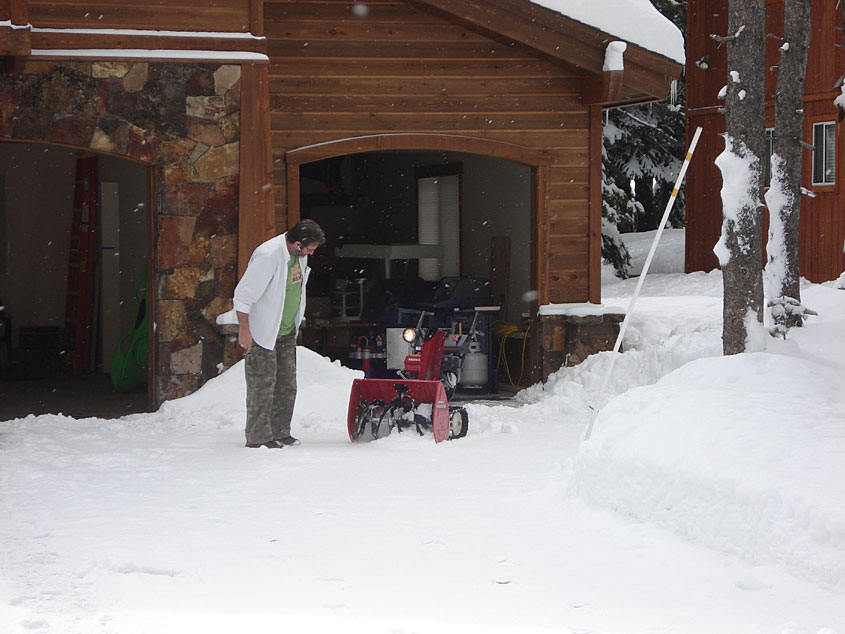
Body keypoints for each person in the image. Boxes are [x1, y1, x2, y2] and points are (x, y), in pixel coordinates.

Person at [233, 219, 326, 449]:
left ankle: (280, 431)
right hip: (263, 331)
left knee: (286, 384)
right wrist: (244, 330)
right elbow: (243, 296)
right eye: (309, 249)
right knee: (262, 385)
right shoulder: (268, 256)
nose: (310, 254)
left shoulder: (298, 257)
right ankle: (258, 437)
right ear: (297, 244)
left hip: (286, 331)